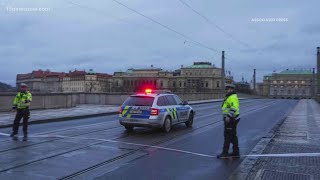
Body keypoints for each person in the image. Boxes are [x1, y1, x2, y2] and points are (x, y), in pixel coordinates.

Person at [217, 84, 240, 158]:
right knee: (233, 137)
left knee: (227, 136)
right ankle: (236, 152)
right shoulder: (230, 97)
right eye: (226, 89)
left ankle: (225, 153)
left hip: (230, 120)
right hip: (231, 119)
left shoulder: (232, 98)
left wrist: (228, 116)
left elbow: (234, 108)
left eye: (227, 89)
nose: (226, 91)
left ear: (231, 90)